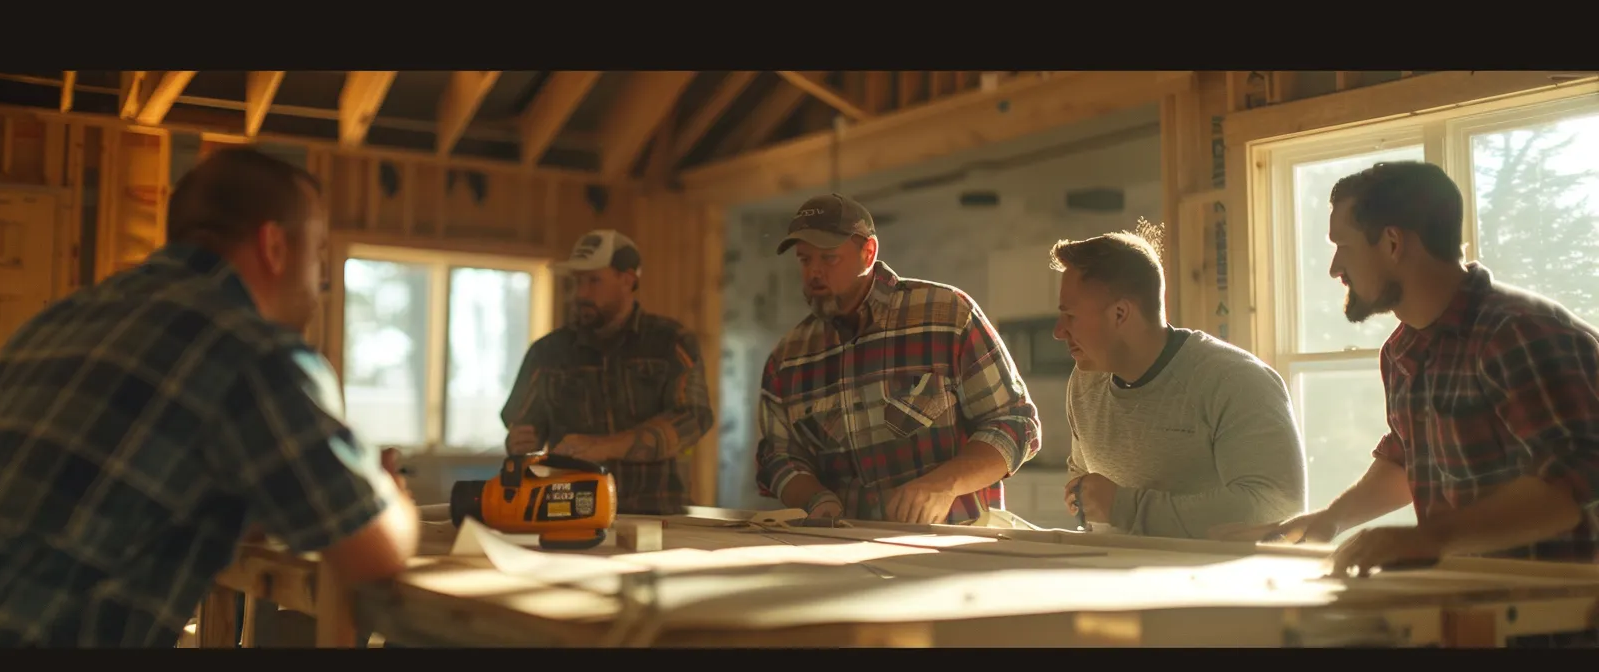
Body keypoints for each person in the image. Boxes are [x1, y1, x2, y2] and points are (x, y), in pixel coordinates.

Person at [0, 148, 420, 648]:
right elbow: (371, 552)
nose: (322, 284)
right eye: (318, 256)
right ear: (274, 246)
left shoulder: (61, 322)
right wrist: (385, 492)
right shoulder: (257, 352)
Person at [1222, 161, 1599, 645]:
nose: (1335, 267)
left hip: (1560, 627)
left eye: (1343, 246)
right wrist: (1327, 521)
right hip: (1465, 615)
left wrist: (1428, 538)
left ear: (1394, 243)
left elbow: (1571, 486)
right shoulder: (1401, 349)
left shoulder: (1520, 333)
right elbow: (1408, 456)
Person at [754, 194, 1041, 525]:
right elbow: (779, 456)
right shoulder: (788, 359)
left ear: (869, 252)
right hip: (840, 553)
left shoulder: (948, 316)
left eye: (829, 258)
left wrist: (943, 485)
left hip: (957, 546)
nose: (814, 272)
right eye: (805, 260)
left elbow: (1016, 424)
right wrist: (818, 501)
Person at [1050, 223, 1305, 539]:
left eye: (1070, 316)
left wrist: (1127, 508)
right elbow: (1088, 488)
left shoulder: (1235, 380)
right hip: (1117, 581)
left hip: (1218, 586)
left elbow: (1275, 504)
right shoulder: (1084, 384)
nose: (1059, 331)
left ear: (1120, 314)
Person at [500, 229, 715, 515]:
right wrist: (518, 443)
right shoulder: (547, 352)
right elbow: (521, 432)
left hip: (658, 515)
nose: (581, 294)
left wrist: (603, 447)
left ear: (628, 279)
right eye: (577, 282)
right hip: (570, 513)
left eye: (594, 281)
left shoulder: (670, 342)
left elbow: (693, 419)